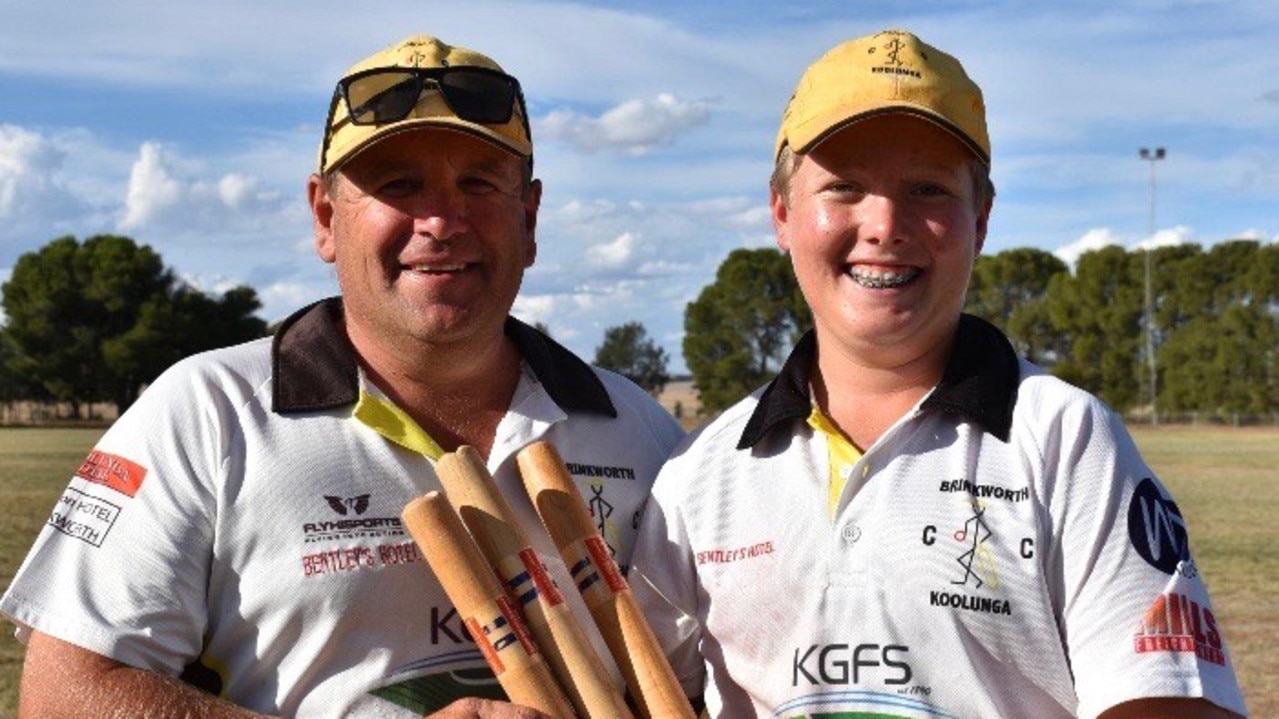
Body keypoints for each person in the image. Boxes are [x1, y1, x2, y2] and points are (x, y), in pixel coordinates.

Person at [2, 34, 683, 719]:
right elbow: (64, 695)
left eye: (478, 183)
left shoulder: (641, 430)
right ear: (326, 218)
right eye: (398, 185)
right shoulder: (206, 413)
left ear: (529, 218)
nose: (442, 221)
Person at [631, 29, 1248, 719]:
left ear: (979, 220)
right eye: (844, 187)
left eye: (927, 188)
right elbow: (638, 696)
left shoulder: (1066, 439)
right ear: (782, 213)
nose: (885, 224)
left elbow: (1170, 703)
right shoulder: (700, 474)